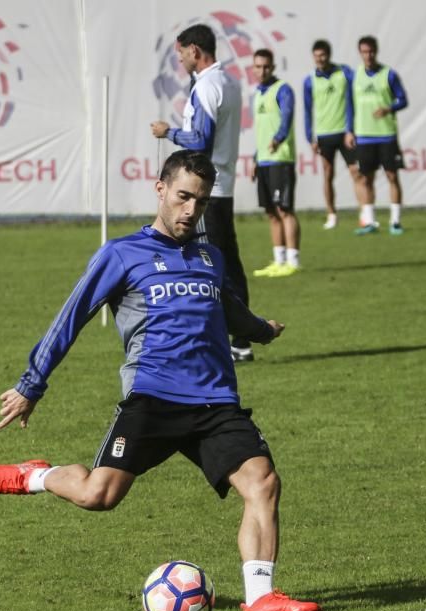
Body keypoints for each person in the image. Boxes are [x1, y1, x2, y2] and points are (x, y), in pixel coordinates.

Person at [0, 150, 320, 611]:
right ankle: (36, 475)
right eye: (182, 197)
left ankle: (260, 598)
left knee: (263, 482)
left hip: (215, 401)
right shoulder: (121, 254)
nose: (191, 211)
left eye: (201, 201)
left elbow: (229, 310)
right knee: (99, 495)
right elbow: (70, 318)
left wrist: (261, 330)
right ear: (160, 189)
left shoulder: (209, 256)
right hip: (153, 397)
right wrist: (32, 384)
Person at [149, 24, 256, 362]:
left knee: (209, 264)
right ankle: (240, 339)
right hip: (221, 186)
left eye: (181, 53)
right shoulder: (228, 81)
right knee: (225, 262)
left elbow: (201, 141)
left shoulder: (208, 86)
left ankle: (231, 340)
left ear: (195, 50)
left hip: (208, 188)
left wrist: (170, 132)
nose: (180, 60)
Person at [249, 49, 302, 278]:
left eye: (266, 66)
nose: (262, 71)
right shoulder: (257, 94)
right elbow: (262, 131)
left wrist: (278, 139)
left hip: (281, 158)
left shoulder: (283, 90)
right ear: (253, 68)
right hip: (264, 160)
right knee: (271, 212)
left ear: (273, 67)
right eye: (258, 67)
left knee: (284, 210)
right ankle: (278, 261)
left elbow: (287, 118)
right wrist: (255, 157)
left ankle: (293, 260)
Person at [351, 35, 408, 236]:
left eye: (371, 51)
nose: (368, 55)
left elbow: (403, 100)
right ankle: (370, 221)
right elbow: (350, 106)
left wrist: (389, 108)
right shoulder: (355, 76)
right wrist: (350, 130)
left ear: (376, 51)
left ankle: (395, 221)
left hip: (386, 135)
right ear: (360, 53)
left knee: (392, 176)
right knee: (366, 179)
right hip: (364, 135)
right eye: (365, 52)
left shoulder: (388, 75)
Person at [304, 39, 361, 230]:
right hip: (324, 134)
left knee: (356, 172)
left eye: (323, 55)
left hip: (344, 133)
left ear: (329, 55)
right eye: (317, 56)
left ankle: (365, 214)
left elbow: (354, 98)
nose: (320, 59)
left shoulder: (344, 73)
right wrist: (309, 136)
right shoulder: (309, 80)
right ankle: (331, 214)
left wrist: (350, 129)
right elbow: (307, 110)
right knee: (328, 175)